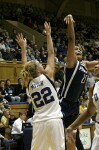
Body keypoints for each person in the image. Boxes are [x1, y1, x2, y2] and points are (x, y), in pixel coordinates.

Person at [58, 14, 99, 150]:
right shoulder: (71, 63)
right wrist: (70, 24)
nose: (78, 50)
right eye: (76, 49)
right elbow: (70, 40)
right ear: (70, 53)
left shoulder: (85, 64)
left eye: (80, 49)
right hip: (62, 103)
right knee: (61, 137)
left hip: (74, 104)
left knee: (75, 135)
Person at [16, 22, 65, 150]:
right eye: (39, 64)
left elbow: (24, 66)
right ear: (38, 70)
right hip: (54, 120)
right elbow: (51, 53)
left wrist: (23, 48)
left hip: (39, 122)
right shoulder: (48, 75)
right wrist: (48, 35)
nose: (41, 63)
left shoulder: (28, 82)